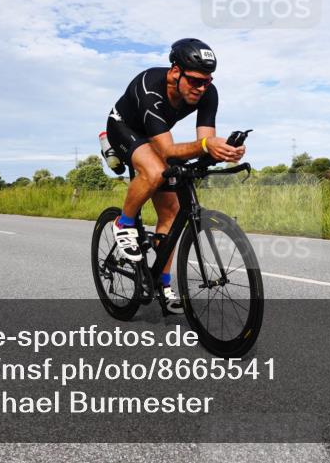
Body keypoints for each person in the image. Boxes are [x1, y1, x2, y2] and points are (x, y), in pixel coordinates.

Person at [104, 38, 244, 313]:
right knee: (155, 171)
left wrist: (224, 151)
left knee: (171, 212)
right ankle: (123, 222)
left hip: (156, 135)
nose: (201, 88)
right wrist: (207, 146)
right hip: (123, 129)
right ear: (175, 72)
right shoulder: (150, 86)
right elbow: (168, 150)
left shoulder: (207, 93)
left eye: (207, 81)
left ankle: (163, 284)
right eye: (195, 81)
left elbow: (204, 142)